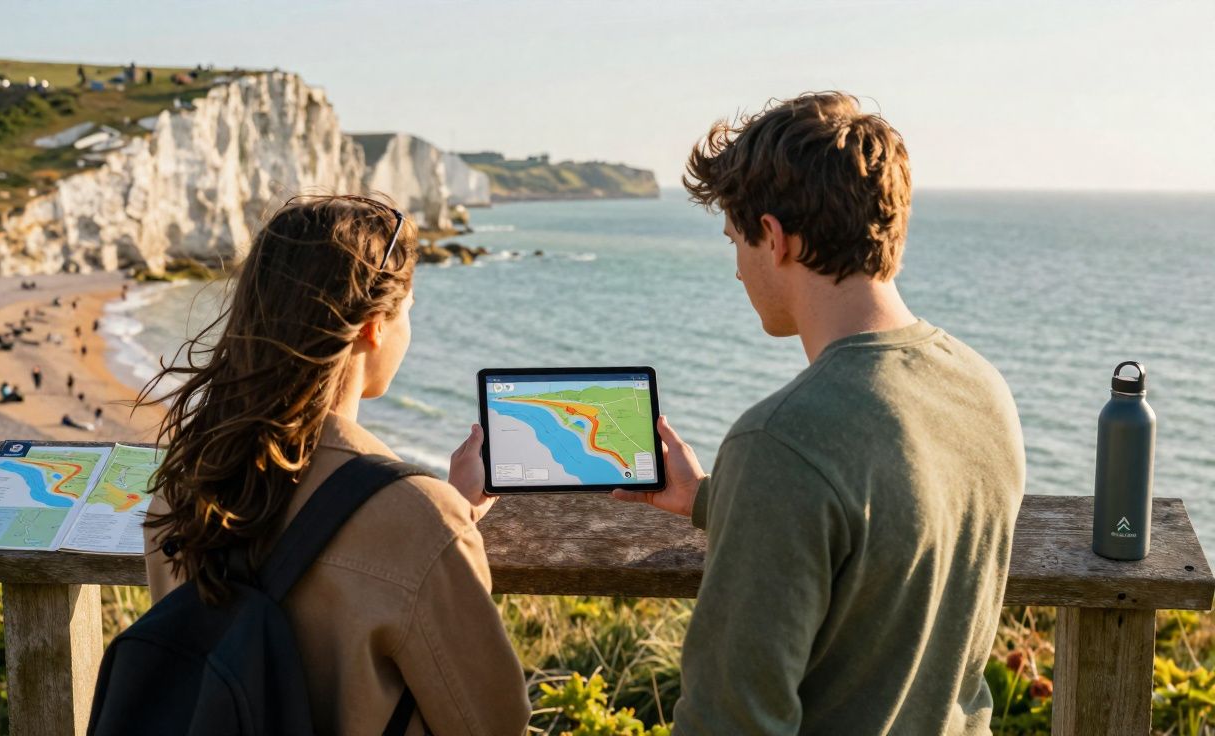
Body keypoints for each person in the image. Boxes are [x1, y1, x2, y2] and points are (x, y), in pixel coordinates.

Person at [611, 93, 1024, 733]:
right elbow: (881, 536)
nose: (738, 272)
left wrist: (757, 479)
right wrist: (709, 499)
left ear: (773, 238)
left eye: (736, 242)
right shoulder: (982, 389)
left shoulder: (777, 441)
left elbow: (731, 720)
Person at [139, 195, 529, 735]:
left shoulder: (188, 481)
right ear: (373, 325)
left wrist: (446, 512)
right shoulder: (422, 520)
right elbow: (492, 723)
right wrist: (448, 519)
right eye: (408, 312)